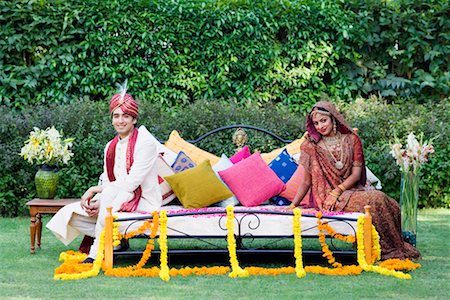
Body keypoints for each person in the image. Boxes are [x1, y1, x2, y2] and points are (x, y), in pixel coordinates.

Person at [289, 101, 420, 260]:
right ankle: (387, 250)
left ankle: (392, 246)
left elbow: (357, 174)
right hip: (328, 198)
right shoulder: (311, 146)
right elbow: (306, 182)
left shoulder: (352, 139)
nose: (320, 126)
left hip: (348, 191)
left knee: (389, 202)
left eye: (324, 121)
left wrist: (338, 191)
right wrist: (293, 204)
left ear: (334, 119)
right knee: (376, 198)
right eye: (316, 123)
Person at [47, 85, 162, 263]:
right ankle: (115, 241)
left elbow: (131, 184)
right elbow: (109, 180)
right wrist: (99, 202)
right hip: (115, 195)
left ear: (134, 119)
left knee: (106, 204)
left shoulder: (146, 143)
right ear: (111, 119)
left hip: (143, 200)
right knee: (70, 214)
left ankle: (95, 255)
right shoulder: (110, 146)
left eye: (125, 116)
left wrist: (99, 195)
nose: (120, 121)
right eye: (116, 116)